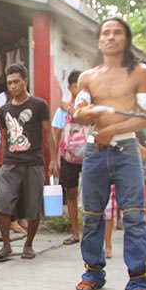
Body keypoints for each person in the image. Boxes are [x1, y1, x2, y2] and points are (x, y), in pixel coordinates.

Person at [73, 17, 146, 290]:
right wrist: (85, 113)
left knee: (133, 216)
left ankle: (138, 282)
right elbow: (78, 111)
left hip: (126, 150)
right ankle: (93, 273)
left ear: (126, 39)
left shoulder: (140, 73)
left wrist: (111, 129)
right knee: (93, 215)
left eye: (117, 32)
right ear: (98, 40)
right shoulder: (88, 77)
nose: (110, 37)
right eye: (105, 32)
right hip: (95, 152)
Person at [0, 64, 57, 262]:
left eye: (16, 82)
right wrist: (0, 162)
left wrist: (54, 159)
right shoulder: (4, 110)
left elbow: (49, 134)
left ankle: (28, 244)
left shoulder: (39, 105)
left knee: (32, 207)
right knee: (2, 202)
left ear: (25, 81)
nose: (12, 86)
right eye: (9, 82)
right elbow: (4, 138)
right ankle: (6, 244)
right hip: (10, 163)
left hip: (34, 162)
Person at [51, 70, 84, 244]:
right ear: (71, 87)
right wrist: (54, 159)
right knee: (70, 192)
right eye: (78, 86)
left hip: (88, 154)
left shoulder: (88, 107)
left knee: (91, 193)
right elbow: (55, 134)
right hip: (68, 157)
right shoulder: (61, 110)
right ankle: (75, 231)